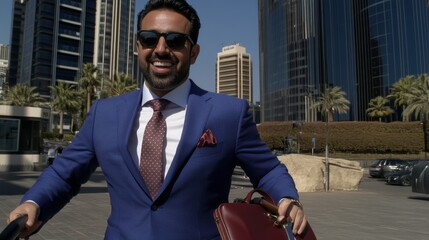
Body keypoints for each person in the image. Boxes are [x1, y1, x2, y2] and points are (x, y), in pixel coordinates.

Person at [7, 0, 307, 239]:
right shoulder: (104, 113)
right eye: (150, 38)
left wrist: (286, 198)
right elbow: (64, 174)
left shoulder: (228, 113)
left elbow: (267, 171)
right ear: (138, 46)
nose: (161, 49)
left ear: (193, 52)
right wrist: (33, 203)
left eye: (175, 40)